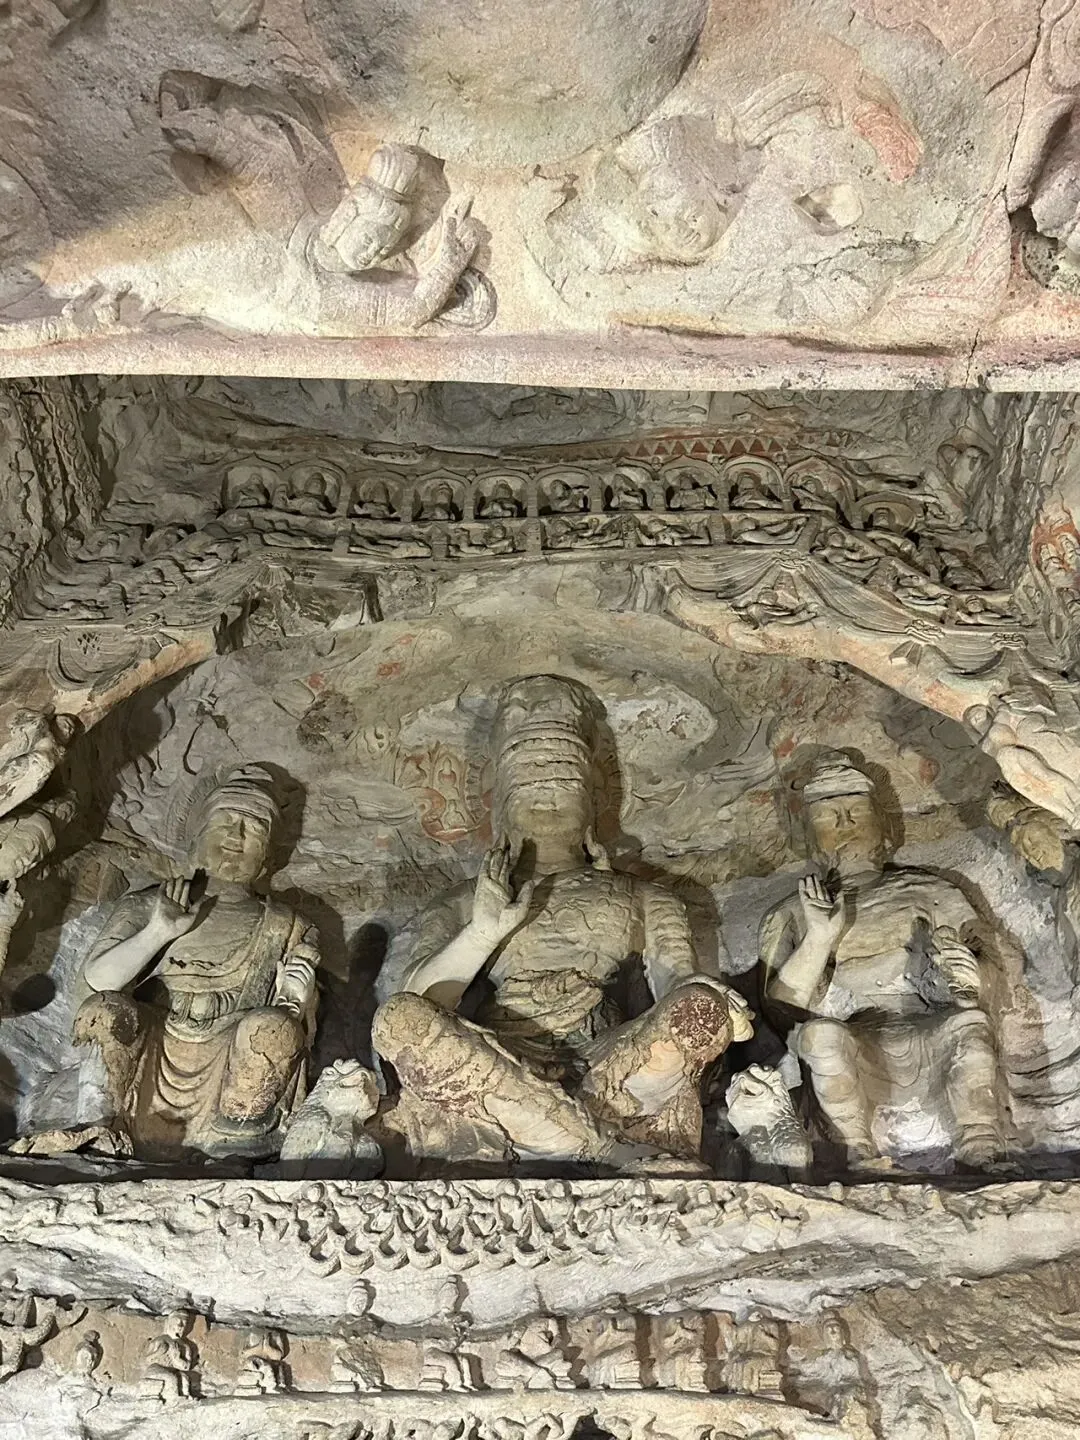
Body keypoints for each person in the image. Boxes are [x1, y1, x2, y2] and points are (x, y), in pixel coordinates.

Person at [373, 675, 752, 1169]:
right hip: (495, 1063)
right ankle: (601, 1147)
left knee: (698, 1009)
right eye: (528, 777)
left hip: (608, 1062)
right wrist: (482, 932)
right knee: (400, 1021)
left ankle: (555, 1132)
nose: (546, 791)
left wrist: (710, 998)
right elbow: (419, 998)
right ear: (499, 800)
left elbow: (676, 981)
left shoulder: (646, 896)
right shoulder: (466, 899)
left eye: (563, 778)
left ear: (594, 799)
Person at [760, 752, 1005, 1169]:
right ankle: (854, 1147)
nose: (845, 824)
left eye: (857, 811)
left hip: (928, 1031)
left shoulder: (930, 891)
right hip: (854, 1041)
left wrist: (968, 976)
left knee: (971, 1024)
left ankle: (980, 1143)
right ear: (807, 836)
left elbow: (987, 972)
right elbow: (779, 1012)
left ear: (885, 825)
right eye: (828, 816)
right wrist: (819, 939)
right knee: (821, 1038)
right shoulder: (790, 913)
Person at [72, 766, 319, 1158]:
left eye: (253, 829)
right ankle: (100, 1126)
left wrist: (299, 999)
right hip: (150, 1043)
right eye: (225, 822)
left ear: (269, 856)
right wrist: (158, 931)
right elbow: (99, 982)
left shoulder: (286, 925)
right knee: (103, 1010)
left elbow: (297, 1021)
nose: (236, 836)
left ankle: (236, 1144)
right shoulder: (148, 904)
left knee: (273, 1029)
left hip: (236, 1049)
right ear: (197, 837)